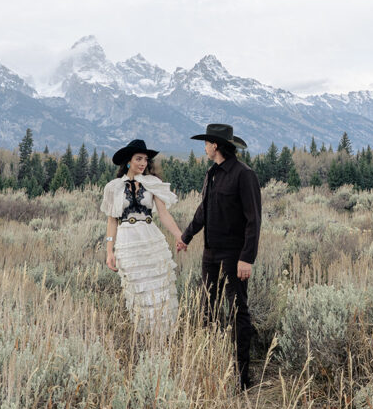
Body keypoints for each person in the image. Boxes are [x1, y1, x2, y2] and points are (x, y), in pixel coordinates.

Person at [177, 123, 261, 391]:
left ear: (215, 145)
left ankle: (242, 375)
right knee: (207, 308)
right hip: (210, 254)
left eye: (206, 143)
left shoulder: (243, 175)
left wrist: (246, 258)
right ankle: (212, 364)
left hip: (234, 256)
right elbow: (205, 210)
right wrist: (186, 235)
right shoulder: (212, 173)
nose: (203, 147)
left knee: (238, 312)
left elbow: (253, 220)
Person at [101, 139, 182, 337]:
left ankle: (164, 337)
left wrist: (181, 236)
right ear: (128, 161)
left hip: (151, 239)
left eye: (145, 159)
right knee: (138, 290)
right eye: (138, 159)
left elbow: (164, 215)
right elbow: (112, 222)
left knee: (159, 287)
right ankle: (145, 336)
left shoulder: (153, 183)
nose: (143, 163)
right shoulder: (113, 187)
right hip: (127, 242)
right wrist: (109, 251)